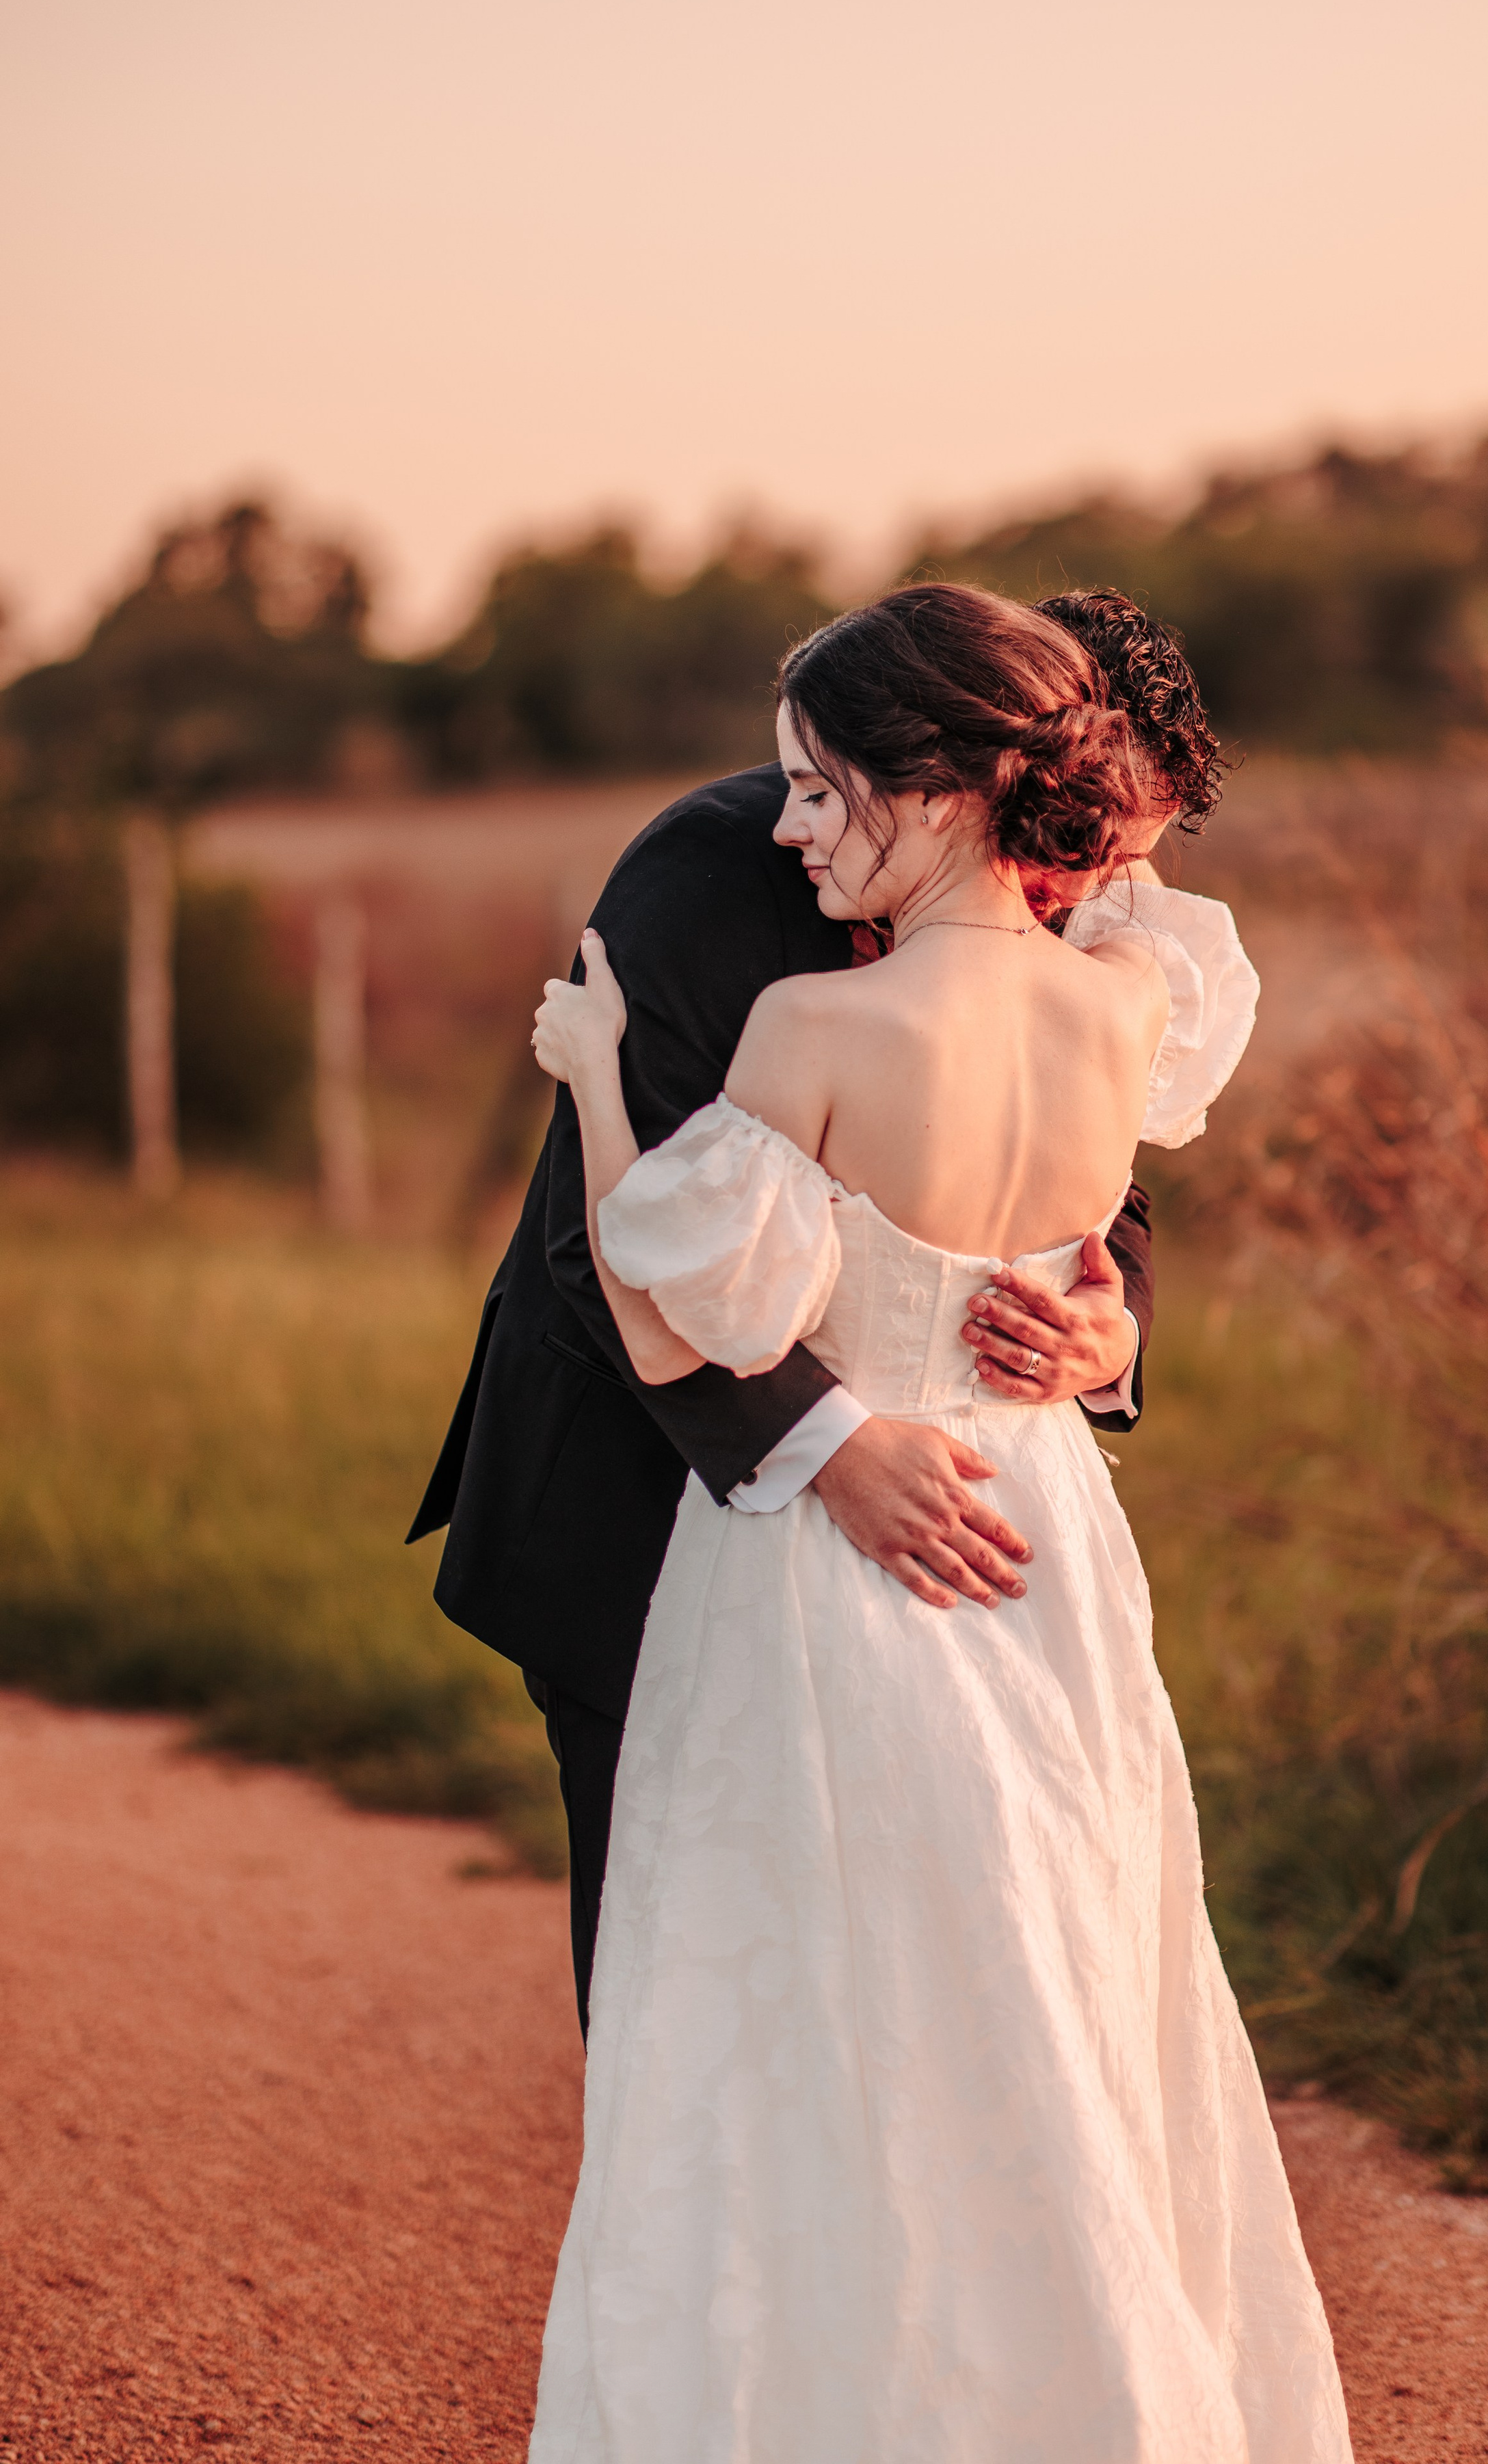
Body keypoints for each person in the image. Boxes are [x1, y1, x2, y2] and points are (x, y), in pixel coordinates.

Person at [524, 585, 1350, 2463]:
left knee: (818, 2006)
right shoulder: (1113, 994)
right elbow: (1065, 1186)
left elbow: (665, 1287)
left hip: (832, 1581)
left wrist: (588, 1085)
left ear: (942, 779)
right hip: (1011, 1528)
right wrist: (842, 1433)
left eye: (821, 791)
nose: (792, 827)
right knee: (1030, 1975)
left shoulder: (822, 1018)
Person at [406, 627, 1162, 2040]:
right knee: (691, 1979)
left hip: (991, 1524)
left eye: (1112, 854)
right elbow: (595, 1245)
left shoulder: (1042, 903)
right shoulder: (711, 874)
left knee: (988, 1962)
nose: (1078, 881)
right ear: (968, 768)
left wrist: (1105, 1334)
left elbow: (1104, 1197)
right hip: (664, 1503)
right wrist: (830, 1446)